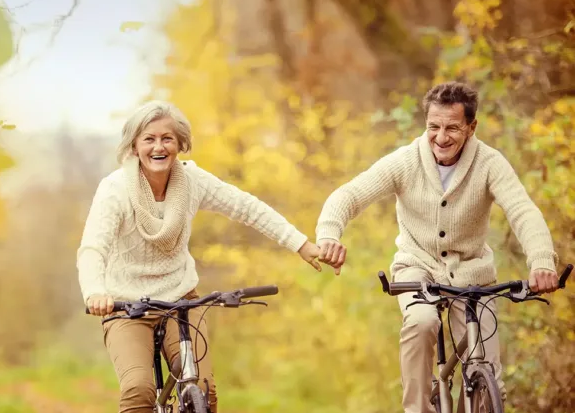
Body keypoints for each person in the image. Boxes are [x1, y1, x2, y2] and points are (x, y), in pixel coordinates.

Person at [314, 82, 560, 413]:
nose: (441, 137)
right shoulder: (405, 161)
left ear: (472, 127)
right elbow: (350, 195)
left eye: (452, 128)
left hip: (472, 273)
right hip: (417, 268)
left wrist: (542, 261)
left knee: (489, 382)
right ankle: (417, 407)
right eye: (434, 126)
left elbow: (523, 212)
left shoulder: (489, 163)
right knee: (420, 322)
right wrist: (329, 233)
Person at [76, 100, 321, 413]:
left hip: (181, 300)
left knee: (202, 387)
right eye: (149, 139)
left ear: (180, 144)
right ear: (134, 147)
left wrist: (300, 244)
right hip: (126, 307)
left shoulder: (192, 181)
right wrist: (95, 292)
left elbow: (246, 207)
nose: (158, 147)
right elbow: (93, 248)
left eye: (167, 138)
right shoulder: (115, 190)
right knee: (139, 389)